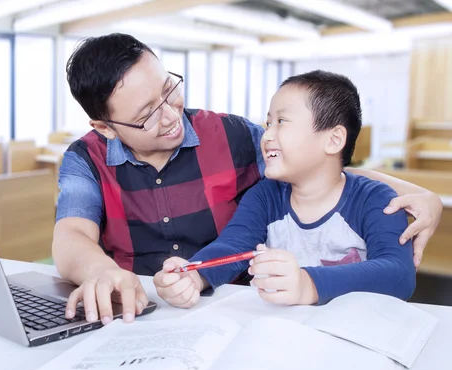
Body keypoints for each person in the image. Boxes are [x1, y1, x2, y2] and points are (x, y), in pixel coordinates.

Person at [53, 33, 442, 323]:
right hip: (146, 313)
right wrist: (112, 273)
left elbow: (315, 166)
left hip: (257, 315)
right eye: (146, 114)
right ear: (105, 126)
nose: (171, 116)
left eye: (169, 90)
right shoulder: (85, 158)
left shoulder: (234, 136)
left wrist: (424, 196)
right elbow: (72, 236)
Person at [155, 70, 416, 307]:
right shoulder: (265, 196)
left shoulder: (375, 199)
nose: (267, 135)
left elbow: (398, 273)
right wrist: (197, 274)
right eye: (269, 123)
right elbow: (233, 246)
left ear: (334, 139)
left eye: (282, 121)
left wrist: (308, 284)